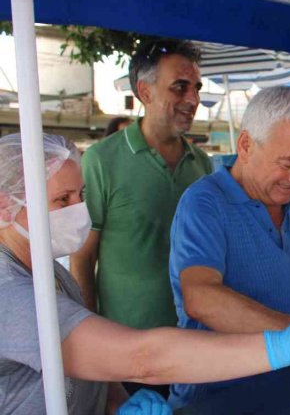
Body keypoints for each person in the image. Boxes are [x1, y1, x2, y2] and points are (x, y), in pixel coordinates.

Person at [0, 133, 290, 415]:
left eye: (81, 195)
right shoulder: (8, 292)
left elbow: (82, 360)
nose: (79, 211)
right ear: (6, 206)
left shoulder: (48, 273)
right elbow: (142, 358)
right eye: (62, 201)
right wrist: (285, 343)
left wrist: (117, 401)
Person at [167, 86, 290, 408]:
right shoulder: (204, 202)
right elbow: (201, 297)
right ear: (246, 145)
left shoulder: (286, 206)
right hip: (219, 401)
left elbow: (286, 294)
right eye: (288, 163)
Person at [70, 39, 212, 398]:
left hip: (194, 341)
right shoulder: (101, 161)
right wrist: (95, 347)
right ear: (144, 91)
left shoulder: (202, 165)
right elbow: (83, 257)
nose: (193, 98)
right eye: (179, 86)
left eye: (196, 87)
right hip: (127, 351)